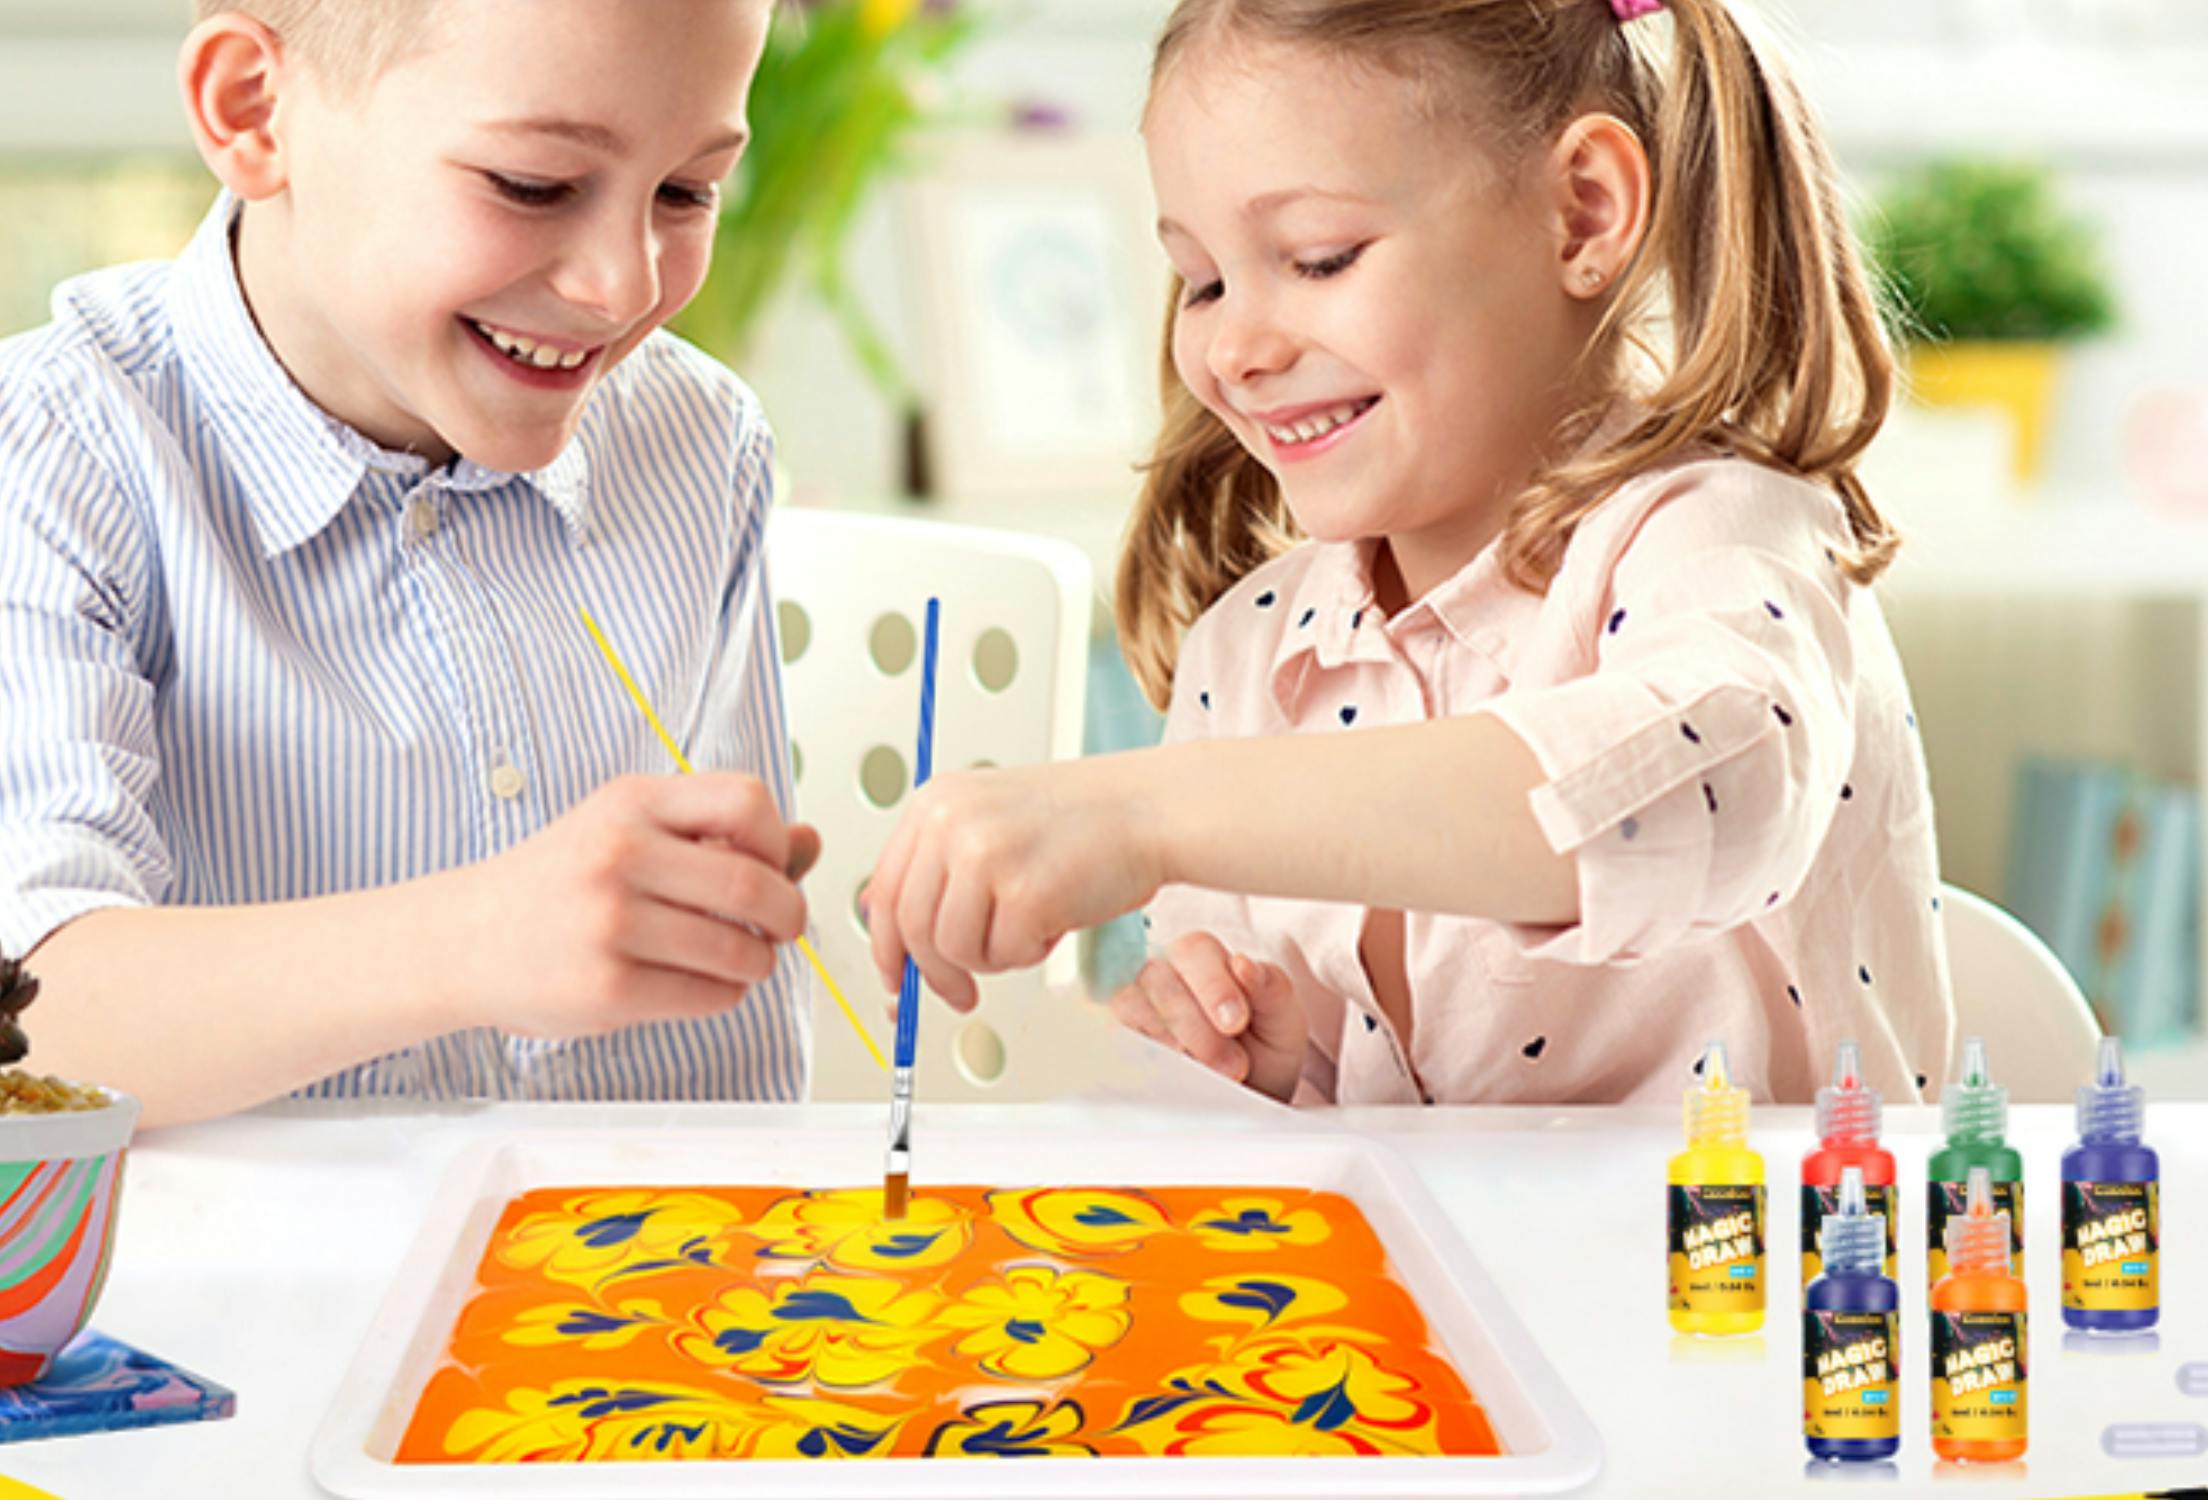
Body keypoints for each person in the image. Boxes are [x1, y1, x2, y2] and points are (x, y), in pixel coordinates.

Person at [861, 0, 1952, 1106]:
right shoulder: (1251, 650)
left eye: (1320, 259)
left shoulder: (1721, 538)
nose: (1235, 348)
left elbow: (1710, 790)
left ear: (1582, 213)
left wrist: (1144, 812)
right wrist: (1241, 1057)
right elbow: (1343, 1127)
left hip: (1735, 1274)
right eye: (1203, 282)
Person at [0, 0, 819, 1128]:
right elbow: (33, 1023)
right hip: (234, 1284)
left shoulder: (698, 440)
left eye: (685, 192)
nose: (624, 287)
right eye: (534, 184)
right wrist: (479, 937)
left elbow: (730, 1069)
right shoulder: (50, 452)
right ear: (253, 109)